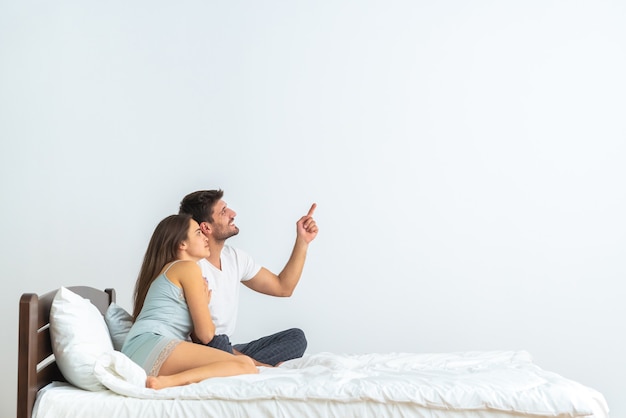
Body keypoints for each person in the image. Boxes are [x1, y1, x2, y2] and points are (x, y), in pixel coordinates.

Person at [179, 189, 318, 367]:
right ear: (206, 227)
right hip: (204, 350)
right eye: (223, 211)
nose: (233, 214)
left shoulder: (234, 257)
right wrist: (262, 366)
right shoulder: (192, 268)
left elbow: (283, 287)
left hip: (227, 348)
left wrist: (302, 241)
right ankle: (252, 366)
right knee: (217, 343)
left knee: (296, 337)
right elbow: (201, 339)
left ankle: (239, 364)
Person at [121, 214, 258, 389]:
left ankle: (168, 381)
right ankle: (167, 382)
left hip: (140, 349)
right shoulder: (187, 268)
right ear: (182, 244)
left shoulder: (173, 269)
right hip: (151, 345)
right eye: (198, 233)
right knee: (245, 365)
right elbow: (206, 334)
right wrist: (205, 305)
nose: (205, 237)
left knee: (244, 363)